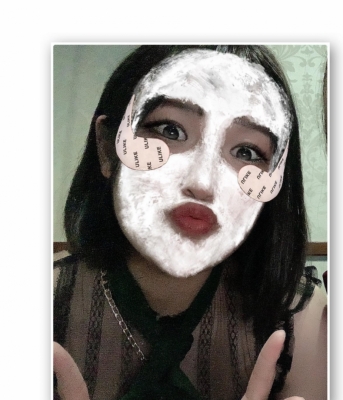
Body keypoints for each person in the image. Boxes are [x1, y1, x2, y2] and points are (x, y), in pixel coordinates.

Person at [53, 45, 327, 400]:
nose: (202, 183)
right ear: (107, 148)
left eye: (247, 152)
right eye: (170, 130)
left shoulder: (301, 315)